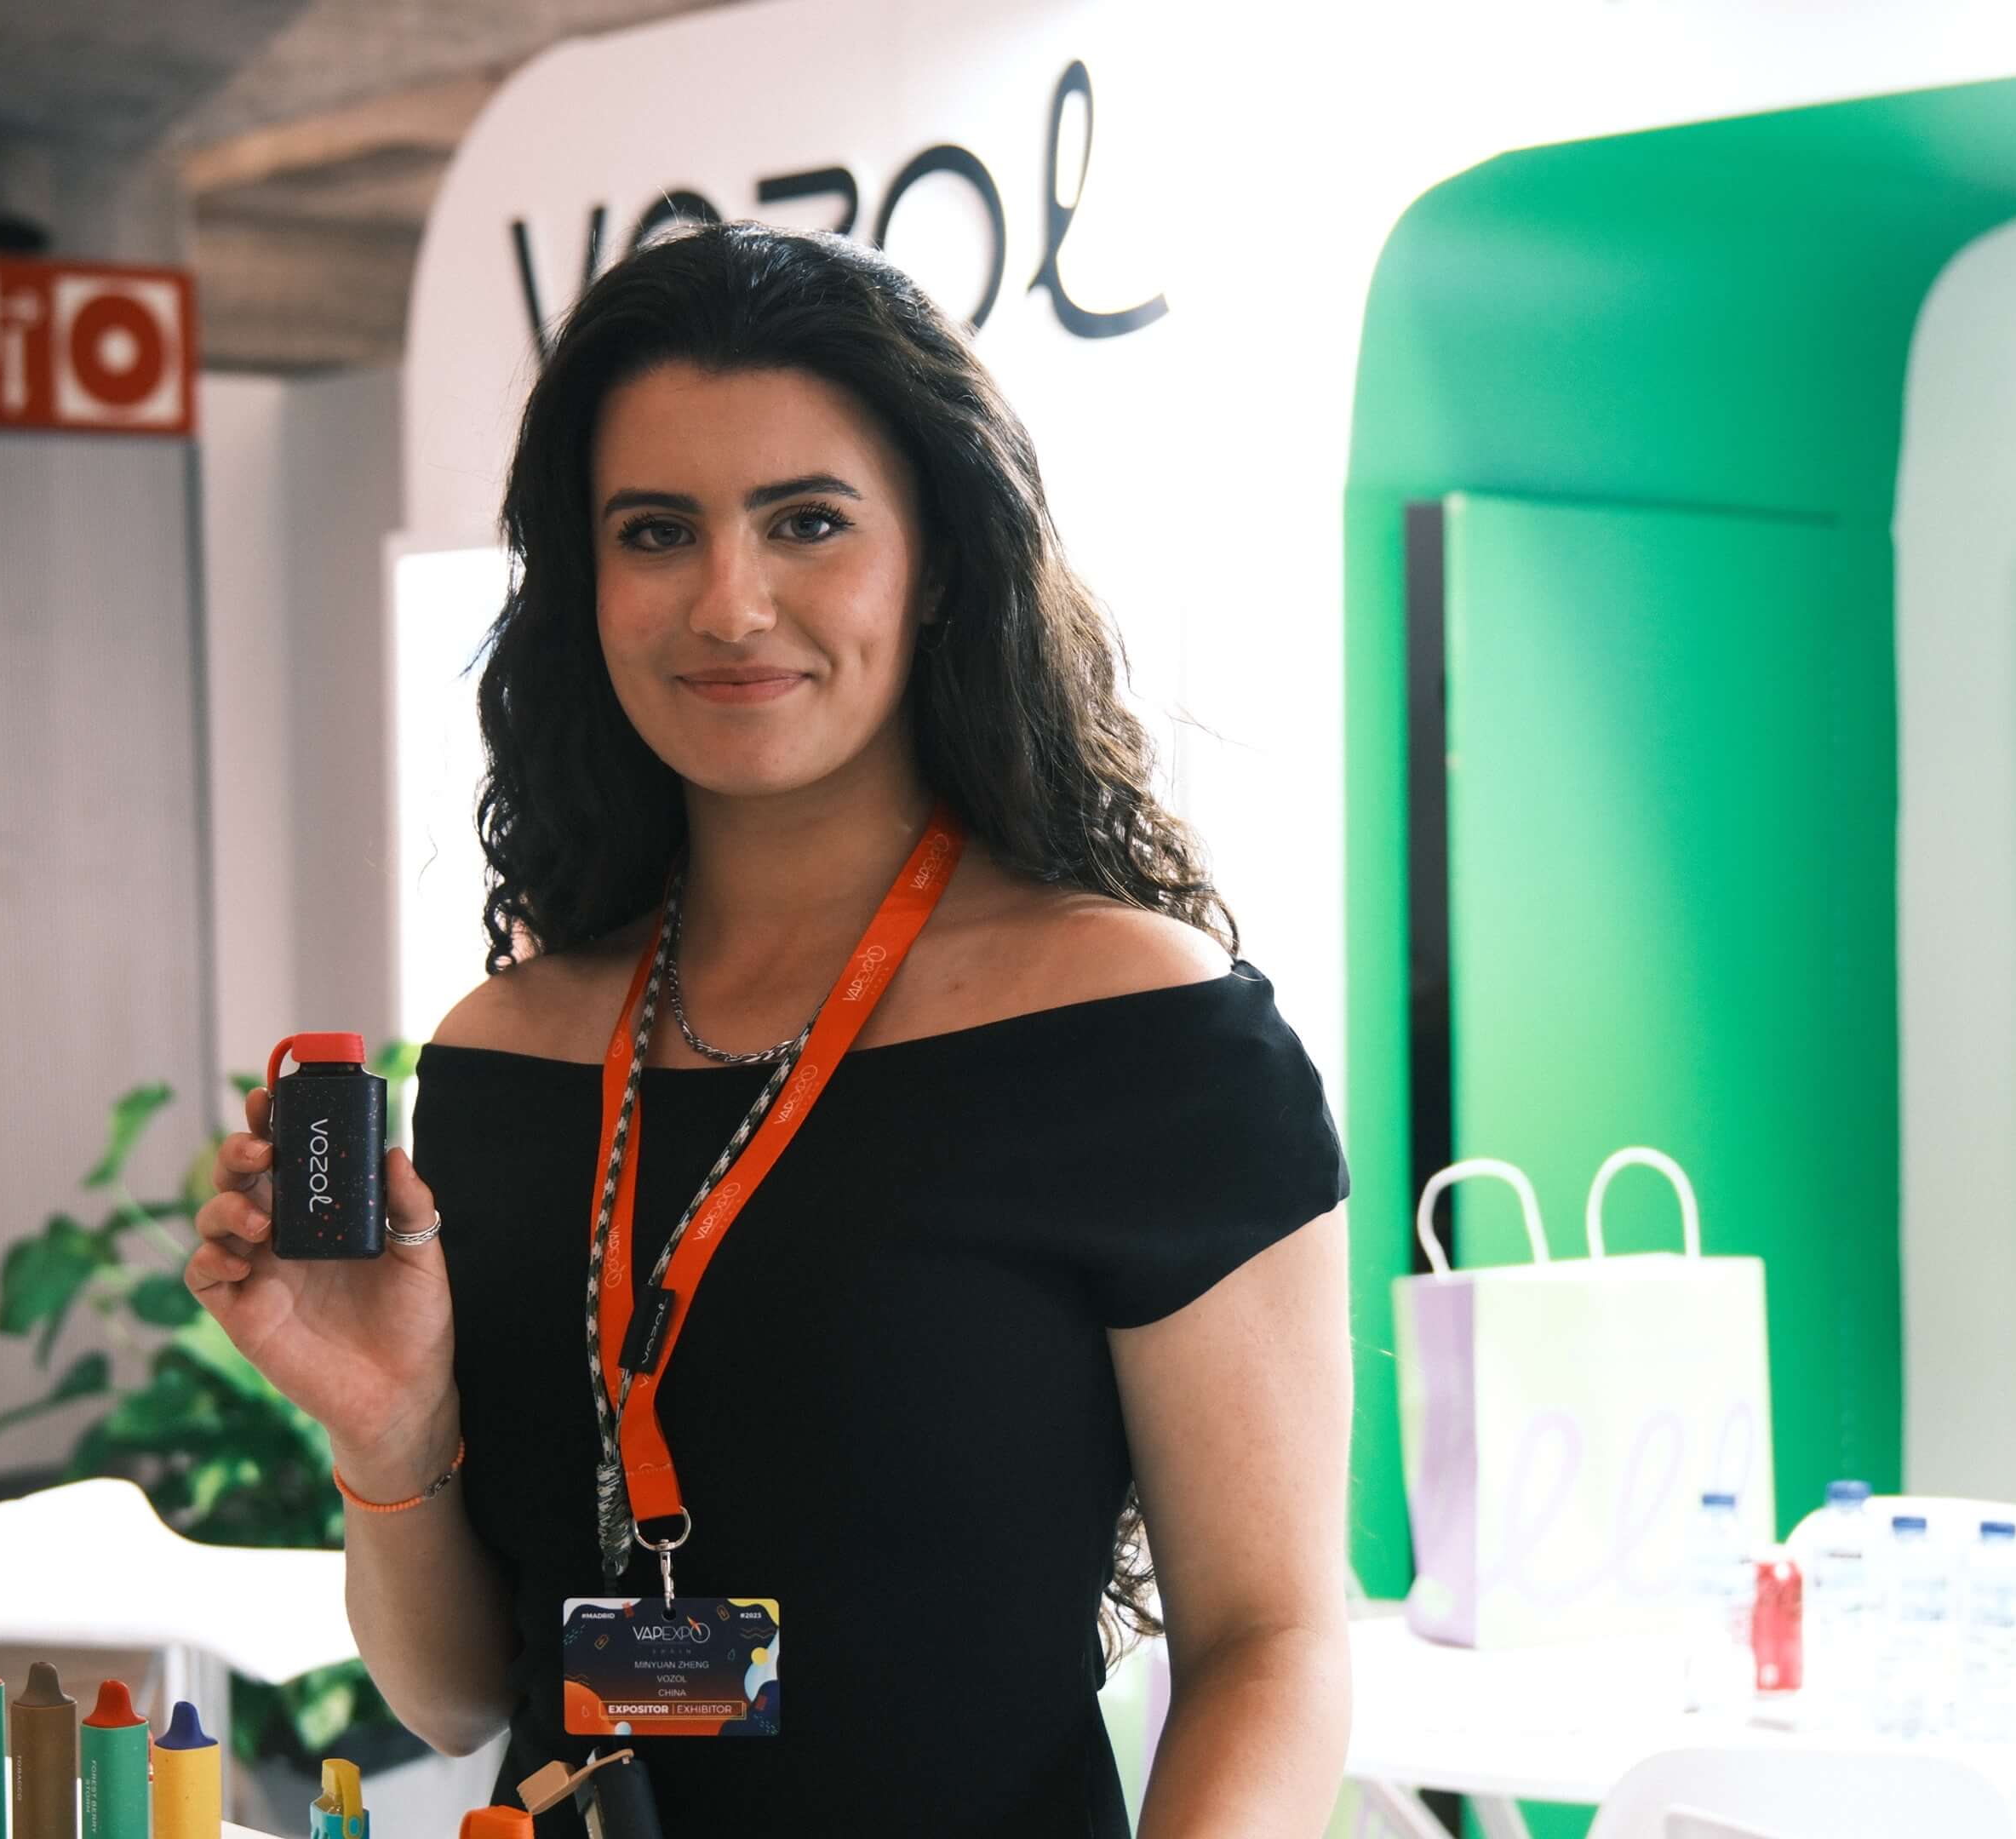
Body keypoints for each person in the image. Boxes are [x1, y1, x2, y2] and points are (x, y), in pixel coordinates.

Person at [192, 223, 1351, 1837]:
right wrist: (391, 1430)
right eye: (656, 532)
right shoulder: (505, 1057)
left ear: (937, 563)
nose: (730, 603)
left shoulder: (1144, 1039)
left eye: (808, 522)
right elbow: (457, 1697)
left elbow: (1271, 1643)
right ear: (586, 585)